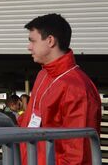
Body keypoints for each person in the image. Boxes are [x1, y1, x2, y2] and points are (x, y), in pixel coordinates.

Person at [19, 13, 101, 165]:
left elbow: (78, 155)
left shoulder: (78, 88)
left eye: (32, 41)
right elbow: (31, 121)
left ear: (50, 40)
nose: (29, 47)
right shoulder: (43, 75)